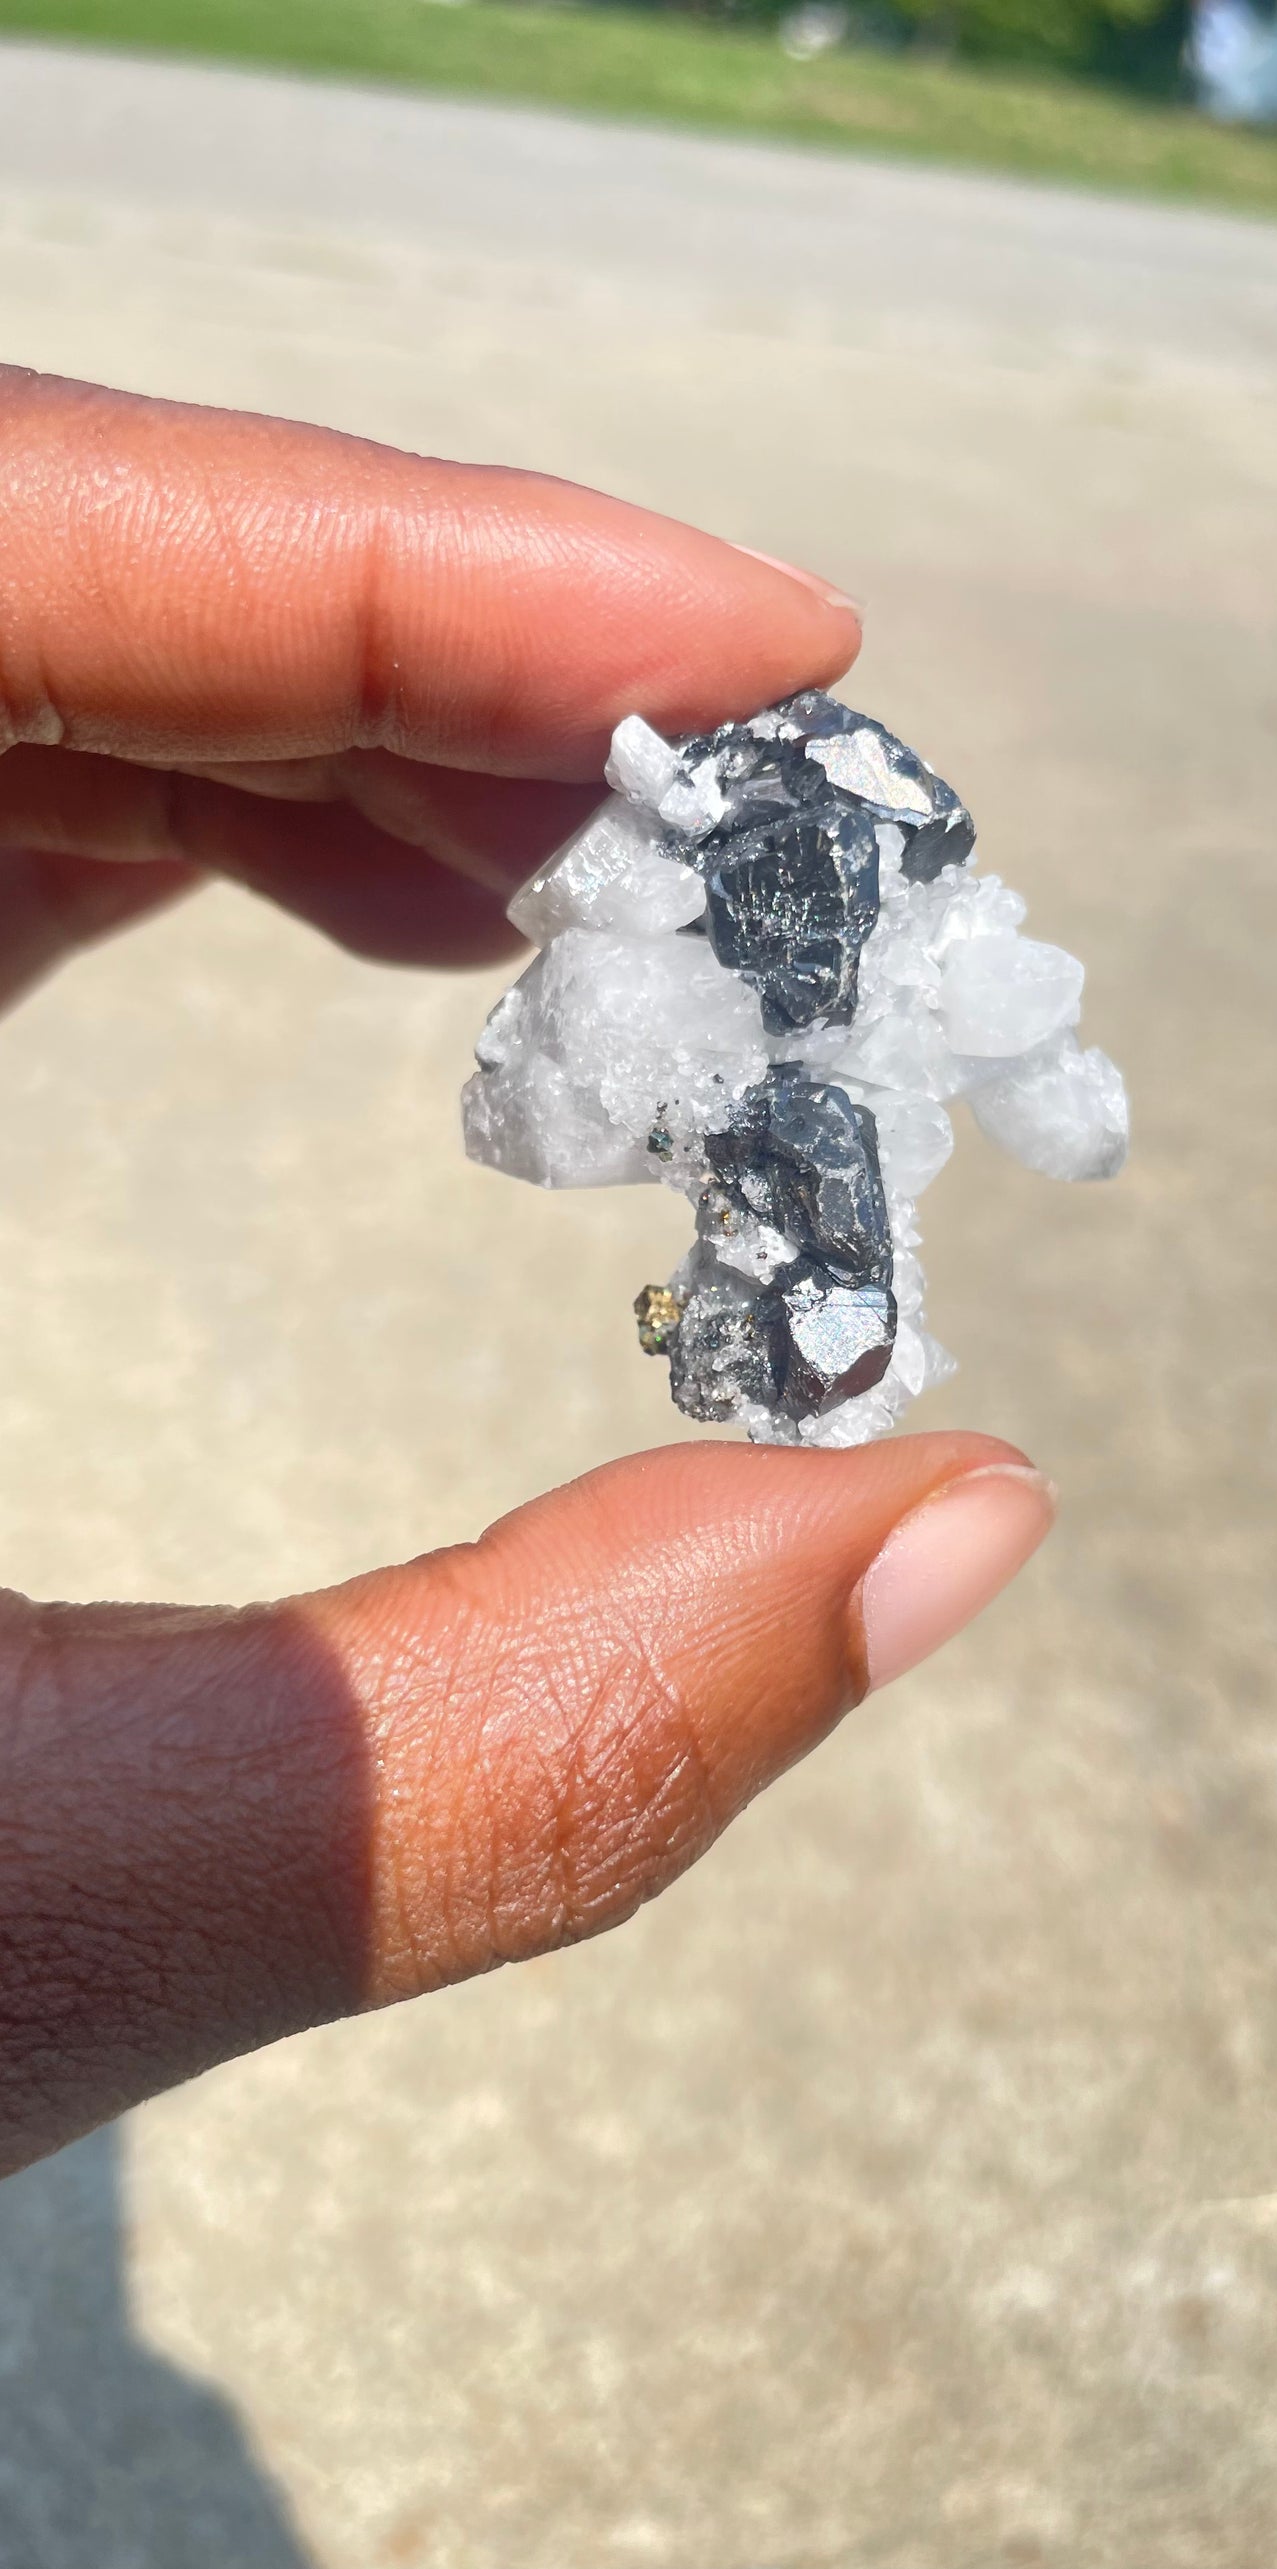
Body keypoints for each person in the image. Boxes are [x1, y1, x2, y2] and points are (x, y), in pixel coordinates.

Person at [0, 369, 1054, 2178]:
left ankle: (796, 1331)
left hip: (772, 1097)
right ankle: (791, 1329)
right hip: (744, 1063)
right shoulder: (711, 947)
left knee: (790, 1246)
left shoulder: (796, 996)